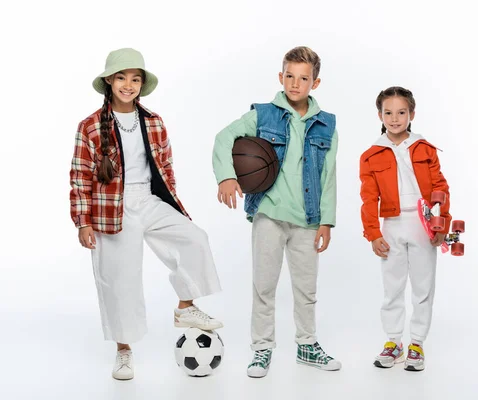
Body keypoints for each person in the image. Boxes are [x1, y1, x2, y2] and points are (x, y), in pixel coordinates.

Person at [69, 48, 222, 380]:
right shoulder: (91, 126)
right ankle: (124, 351)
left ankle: (186, 308)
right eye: (122, 77)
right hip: (113, 207)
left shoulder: (152, 121)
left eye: (135, 79)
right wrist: (83, 222)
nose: (129, 84)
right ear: (109, 81)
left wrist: (171, 201)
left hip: (149, 199)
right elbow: (80, 175)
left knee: (195, 238)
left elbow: (165, 165)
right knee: (120, 280)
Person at [212, 46, 342, 378]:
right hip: (269, 214)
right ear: (280, 77)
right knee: (264, 286)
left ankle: (307, 345)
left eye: (304, 78)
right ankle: (261, 349)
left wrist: (326, 220)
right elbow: (224, 137)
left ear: (316, 82)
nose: (295, 84)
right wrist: (227, 175)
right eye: (289, 76)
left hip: (307, 220)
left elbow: (329, 176)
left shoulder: (326, 125)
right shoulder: (263, 114)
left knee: (306, 288)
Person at [359, 86, 451, 371]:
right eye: (388, 112)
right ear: (379, 115)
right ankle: (394, 341)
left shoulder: (425, 149)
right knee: (392, 288)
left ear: (412, 114)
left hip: (422, 225)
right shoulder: (371, 155)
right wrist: (373, 233)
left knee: (423, 287)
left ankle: (417, 343)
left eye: (401, 112)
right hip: (392, 225)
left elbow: (440, 188)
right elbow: (368, 197)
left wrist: (441, 223)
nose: (395, 118)